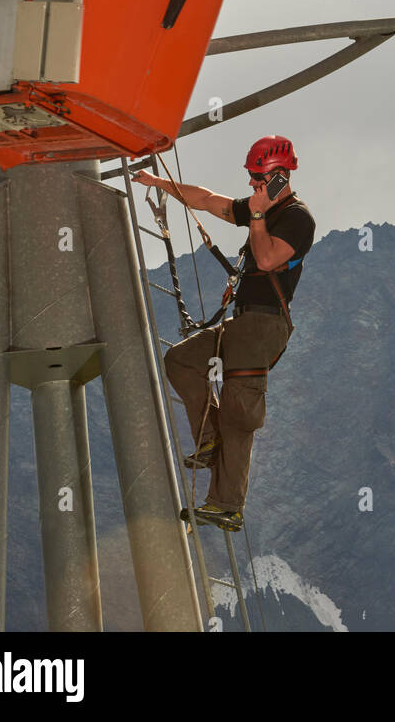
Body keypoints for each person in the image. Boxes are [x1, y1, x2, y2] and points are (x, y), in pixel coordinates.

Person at [133, 135, 315, 531]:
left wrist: (257, 215)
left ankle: (227, 505)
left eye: (258, 179)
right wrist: (159, 183)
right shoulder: (260, 208)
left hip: (265, 323)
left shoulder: (298, 218)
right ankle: (209, 436)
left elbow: (266, 259)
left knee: (239, 410)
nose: (251, 186)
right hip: (244, 320)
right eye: (251, 178)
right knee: (181, 360)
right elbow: (207, 200)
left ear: (280, 177)